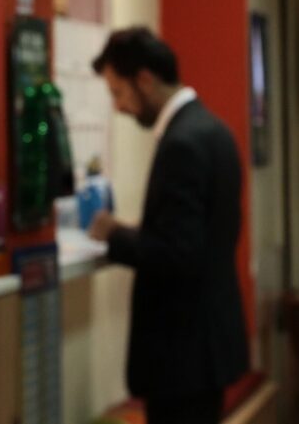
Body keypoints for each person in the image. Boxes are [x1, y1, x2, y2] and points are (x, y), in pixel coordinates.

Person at [88, 27, 248, 424]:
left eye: (118, 92)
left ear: (144, 79)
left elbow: (178, 254)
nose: (119, 107)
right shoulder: (213, 130)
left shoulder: (182, 143)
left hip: (182, 355)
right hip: (206, 347)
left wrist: (114, 234)